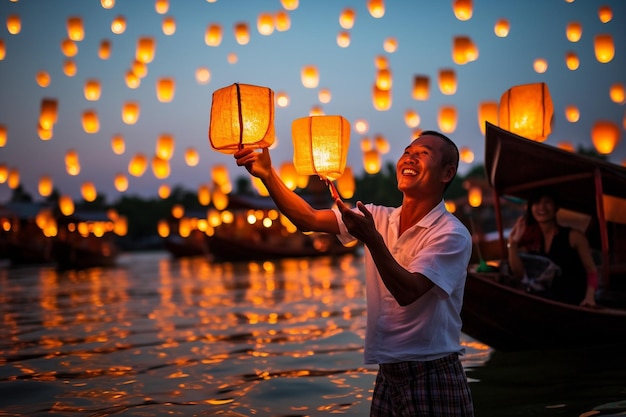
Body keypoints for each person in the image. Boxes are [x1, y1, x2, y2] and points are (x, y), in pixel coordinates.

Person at [234, 130, 475, 417]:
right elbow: (307, 219)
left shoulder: (452, 233)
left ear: (447, 173)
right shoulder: (378, 217)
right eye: (407, 151)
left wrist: (372, 239)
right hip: (388, 372)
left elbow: (408, 292)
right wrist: (267, 175)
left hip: (432, 371)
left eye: (423, 154)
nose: (409, 157)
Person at [507, 187, 598, 307]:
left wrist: (589, 298)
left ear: (556, 207)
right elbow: (520, 274)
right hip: (544, 302)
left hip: (573, 302)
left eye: (547, 202)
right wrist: (512, 244)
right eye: (537, 203)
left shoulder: (574, 237)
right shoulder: (531, 240)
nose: (542, 208)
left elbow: (591, 270)